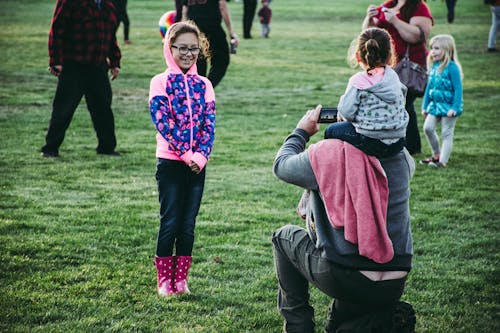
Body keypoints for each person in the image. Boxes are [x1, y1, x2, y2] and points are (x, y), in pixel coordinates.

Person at [272, 105, 416, 332]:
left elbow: (281, 165)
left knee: (283, 237)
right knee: (352, 288)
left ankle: (298, 327)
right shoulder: (402, 156)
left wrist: (301, 131)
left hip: (346, 275)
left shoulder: (329, 153)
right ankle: (381, 320)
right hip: (395, 279)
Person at [149, 21, 216, 296]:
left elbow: (209, 125)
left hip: (197, 166)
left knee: (188, 226)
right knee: (171, 222)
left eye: (193, 49)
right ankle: (164, 281)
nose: (188, 54)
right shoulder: (160, 82)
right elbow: (162, 122)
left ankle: (181, 280)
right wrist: (186, 154)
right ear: (170, 48)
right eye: (182, 48)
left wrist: (201, 156)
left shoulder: (205, 84)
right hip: (170, 164)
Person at [41, 0, 121, 158]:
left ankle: (106, 148)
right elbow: (57, 29)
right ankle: (50, 148)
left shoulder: (108, 5)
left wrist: (115, 61)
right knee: (63, 109)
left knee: (103, 109)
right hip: (73, 66)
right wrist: (55, 60)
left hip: (98, 67)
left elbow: (111, 36)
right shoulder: (69, 2)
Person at [324, 27, 408, 159]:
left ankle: (343, 166)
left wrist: (342, 107)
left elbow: (347, 113)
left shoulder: (359, 81)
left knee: (331, 130)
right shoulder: (393, 77)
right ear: (390, 55)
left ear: (358, 56)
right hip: (398, 141)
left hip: (371, 142)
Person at [363, 0, 433, 156]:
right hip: (388, 65)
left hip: (410, 66)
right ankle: (409, 146)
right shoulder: (387, 4)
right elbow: (370, 35)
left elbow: (418, 36)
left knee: (403, 102)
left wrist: (395, 20)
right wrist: (368, 19)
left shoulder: (418, 7)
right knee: (402, 104)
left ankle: (409, 146)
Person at [420, 34, 463, 168]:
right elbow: (429, 87)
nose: (433, 51)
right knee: (428, 128)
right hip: (435, 106)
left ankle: (442, 161)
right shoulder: (434, 66)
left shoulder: (452, 67)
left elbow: (458, 89)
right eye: (432, 48)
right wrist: (425, 106)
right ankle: (436, 154)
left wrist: (454, 108)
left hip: (449, 107)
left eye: (437, 48)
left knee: (446, 132)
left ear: (447, 49)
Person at [182, 0, 239, 88]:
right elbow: (222, 6)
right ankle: (206, 89)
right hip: (212, 27)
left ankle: (199, 91)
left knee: (199, 63)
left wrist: (185, 32)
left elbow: (185, 11)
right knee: (221, 61)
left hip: (194, 29)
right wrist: (231, 32)